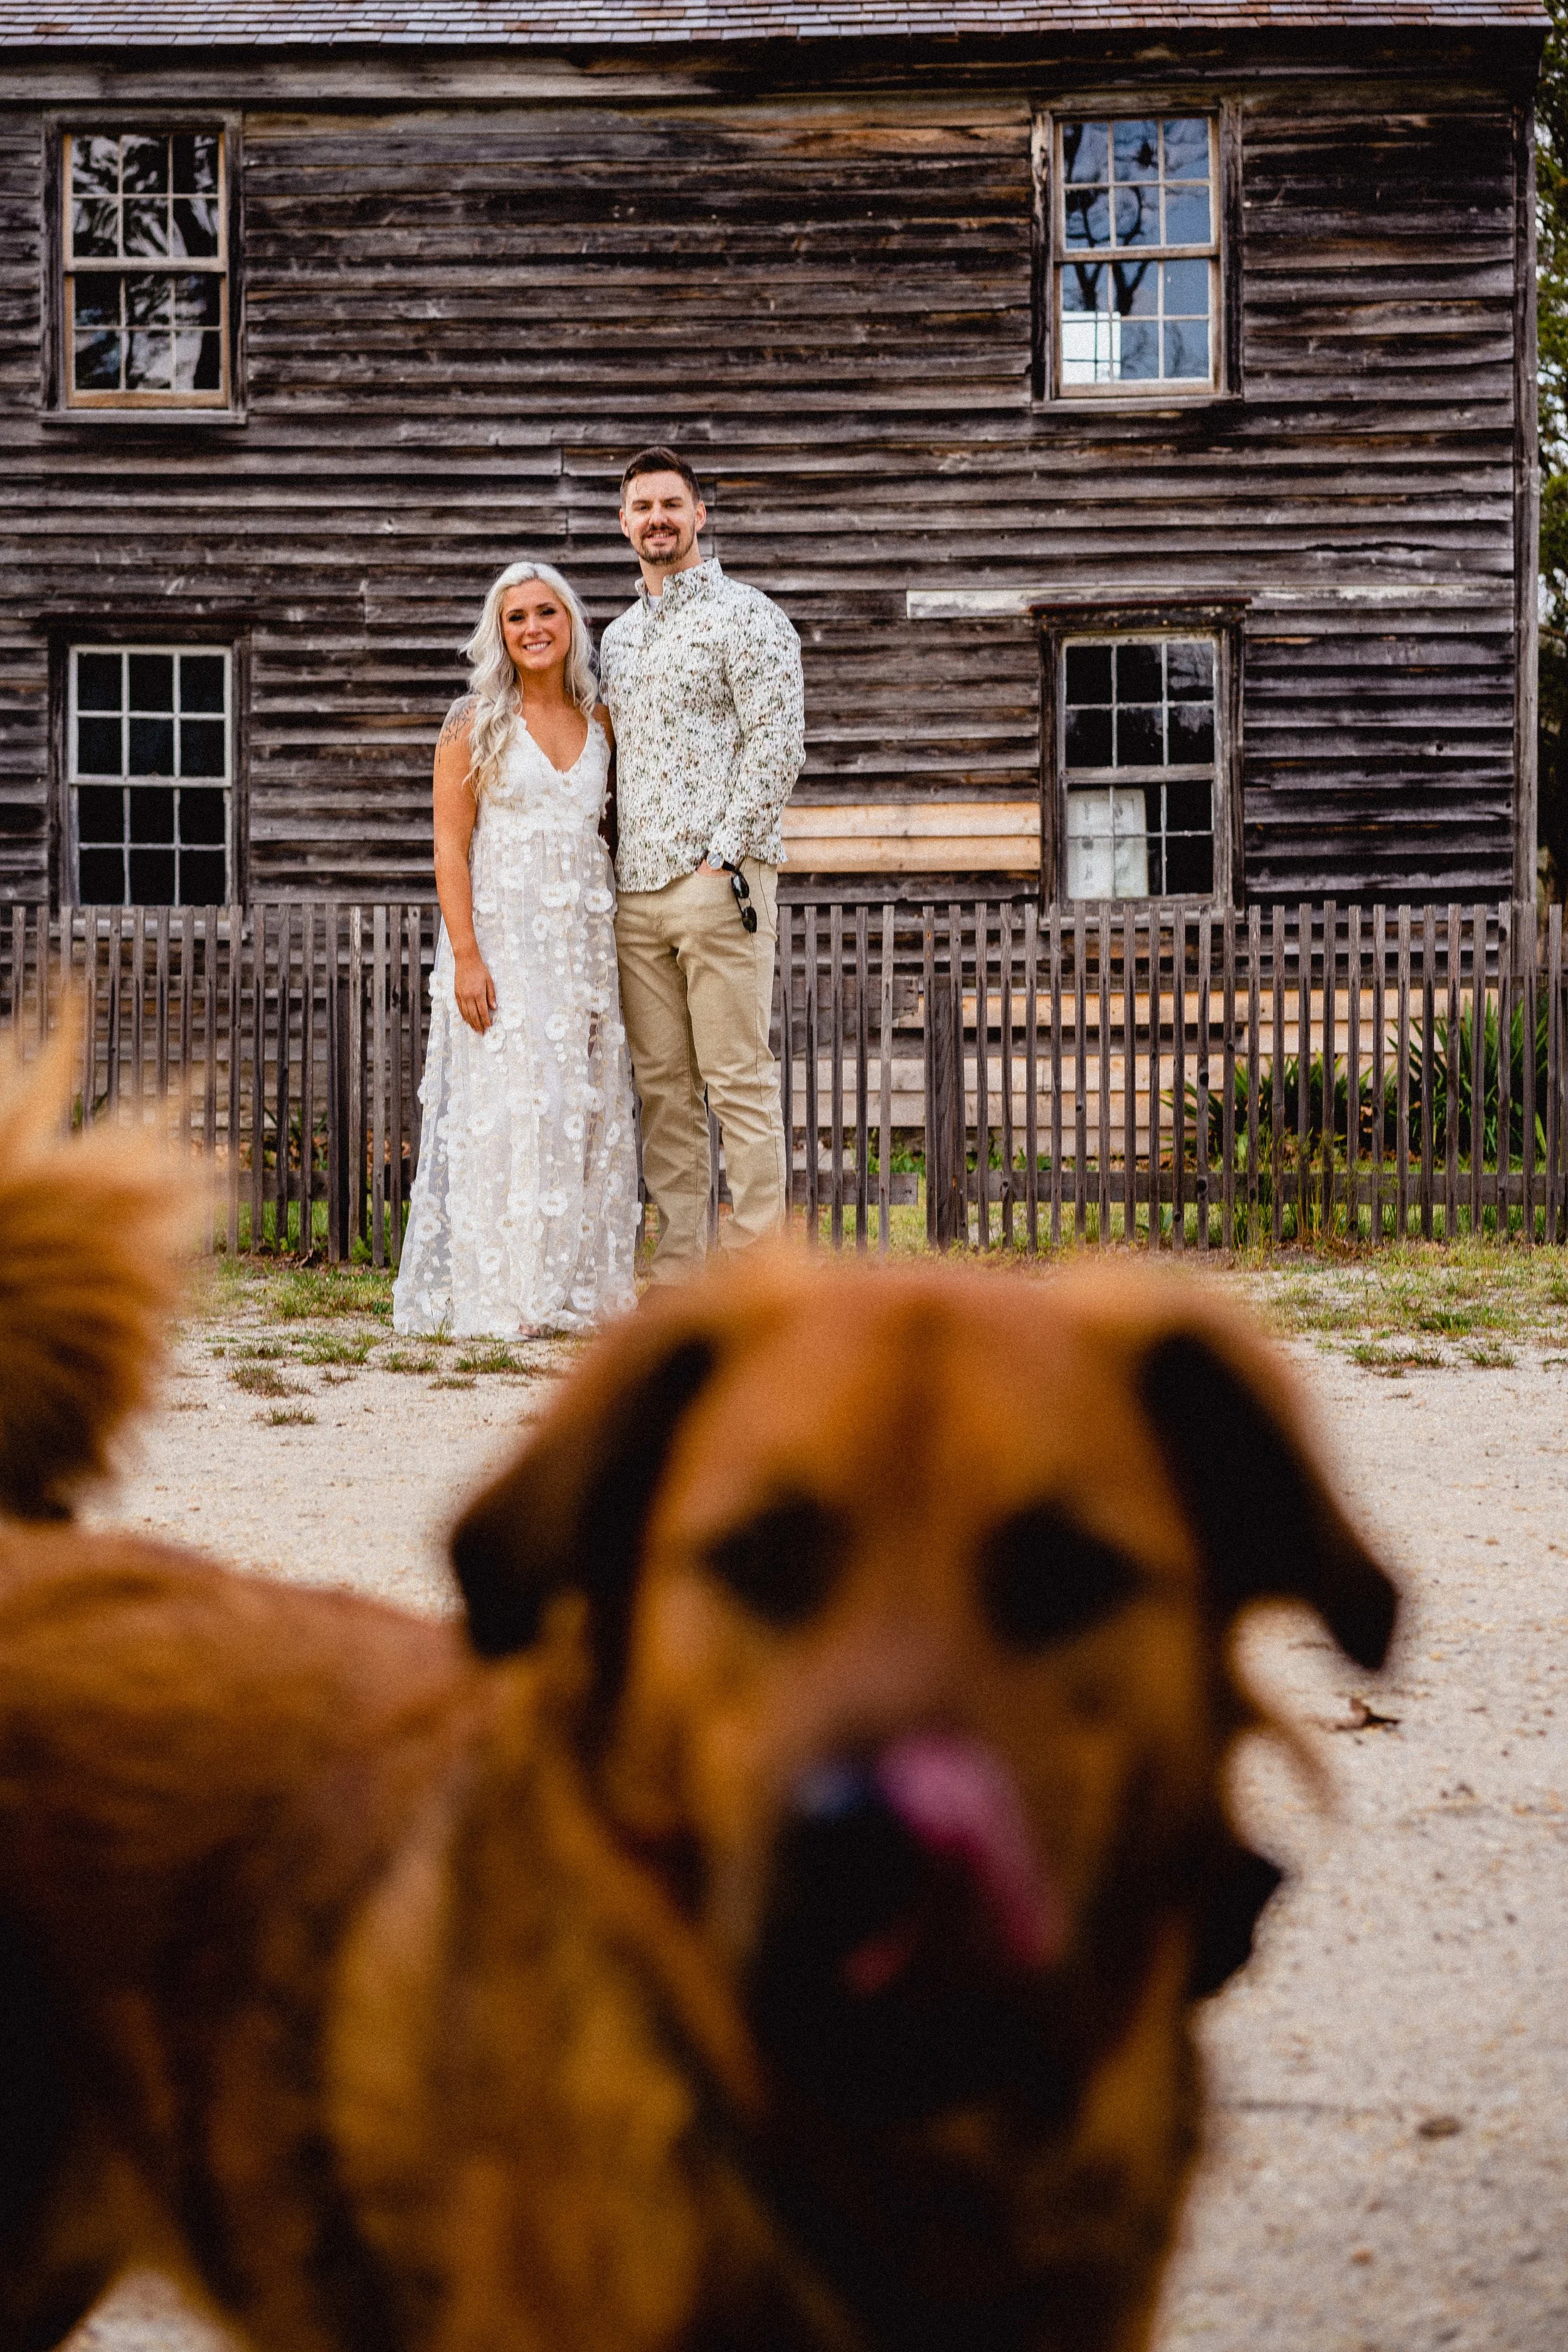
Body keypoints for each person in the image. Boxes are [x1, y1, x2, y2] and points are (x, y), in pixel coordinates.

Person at [393, 561, 638, 1337]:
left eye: (546, 613)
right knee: (508, 1105)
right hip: (502, 935)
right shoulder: (475, 722)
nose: (533, 628)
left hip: (584, 944)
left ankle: (567, 1283)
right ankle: (507, 1291)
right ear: (499, 633)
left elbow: (609, 833)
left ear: (571, 624)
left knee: (580, 1105)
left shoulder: (601, 719)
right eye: (516, 618)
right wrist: (466, 954)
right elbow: (449, 845)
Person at [599, 447, 805, 1283]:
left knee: (739, 1084)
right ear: (624, 521)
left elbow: (777, 742)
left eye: (671, 505)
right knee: (667, 1095)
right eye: (642, 507)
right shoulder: (612, 638)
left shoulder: (748, 616)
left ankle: (759, 1281)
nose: (657, 519)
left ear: (699, 514)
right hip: (634, 894)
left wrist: (727, 857)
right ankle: (679, 1276)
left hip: (717, 882)